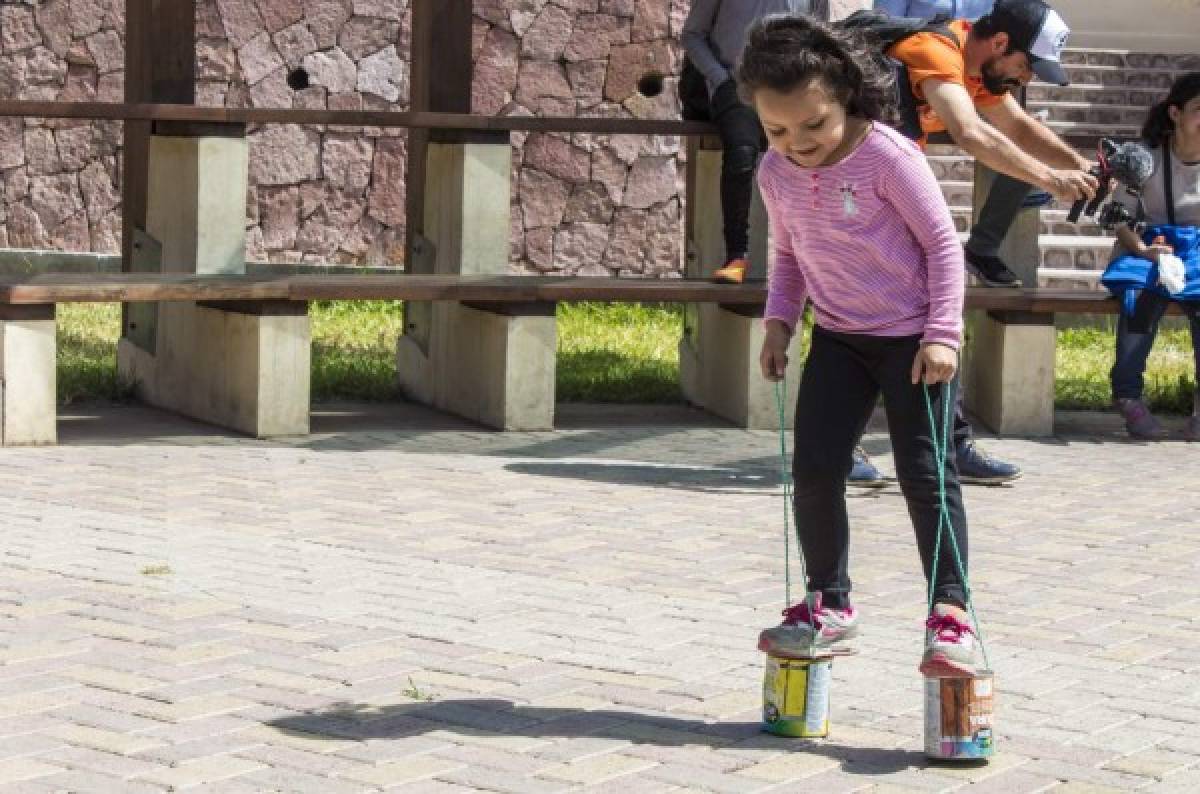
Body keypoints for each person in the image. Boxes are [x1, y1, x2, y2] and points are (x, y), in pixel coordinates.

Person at [744, 14, 979, 675]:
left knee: (926, 477)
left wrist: (941, 335)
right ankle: (830, 603)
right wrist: (779, 323)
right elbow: (788, 255)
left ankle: (951, 614)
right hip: (840, 339)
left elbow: (942, 248)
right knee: (815, 470)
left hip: (911, 340)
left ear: (844, 95)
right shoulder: (775, 171)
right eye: (778, 130)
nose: (798, 143)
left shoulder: (890, 158)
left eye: (813, 125)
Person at [851, 0, 1094, 487]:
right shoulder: (937, 50)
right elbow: (969, 131)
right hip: (851, 192)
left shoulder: (977, 64)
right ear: (1001, 44)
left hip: (887, 185)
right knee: (856, 313)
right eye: (1026, 65)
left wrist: (1081, 169)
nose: (1027, 79)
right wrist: (1050, 177)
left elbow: (1019, 127)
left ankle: (951, 443)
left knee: (936, 305)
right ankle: (845, 447)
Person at [680, 0, 831, 285]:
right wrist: (720, 79)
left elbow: (819, 35)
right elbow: (692, 35)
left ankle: (813, 259)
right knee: (741, 155)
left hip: (790, 90)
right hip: (734, 89)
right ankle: (737, 256)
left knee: (810, 160)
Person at [1109, 72, 1200, 440]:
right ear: (1175, 113)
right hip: (1146, 247)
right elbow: (1117, 217)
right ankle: (1127, 396)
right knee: (1141, 298)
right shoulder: (1143, 158)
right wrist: (1144, 250)